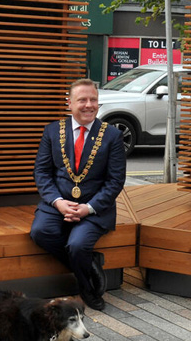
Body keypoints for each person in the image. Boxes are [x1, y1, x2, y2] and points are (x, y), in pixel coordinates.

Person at [30, 78, 127, 310]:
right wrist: (57, 202)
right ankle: (90, 264)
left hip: (95, 207)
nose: (88, 105)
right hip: (58, 203)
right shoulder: (52, 131)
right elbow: (42, 172)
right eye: (82, 100)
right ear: (69, 103)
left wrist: (88, 208)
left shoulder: (112, 135)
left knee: (78, 245)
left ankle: (88, 289)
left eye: (93, 100)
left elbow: (115, 181)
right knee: (40, 232)